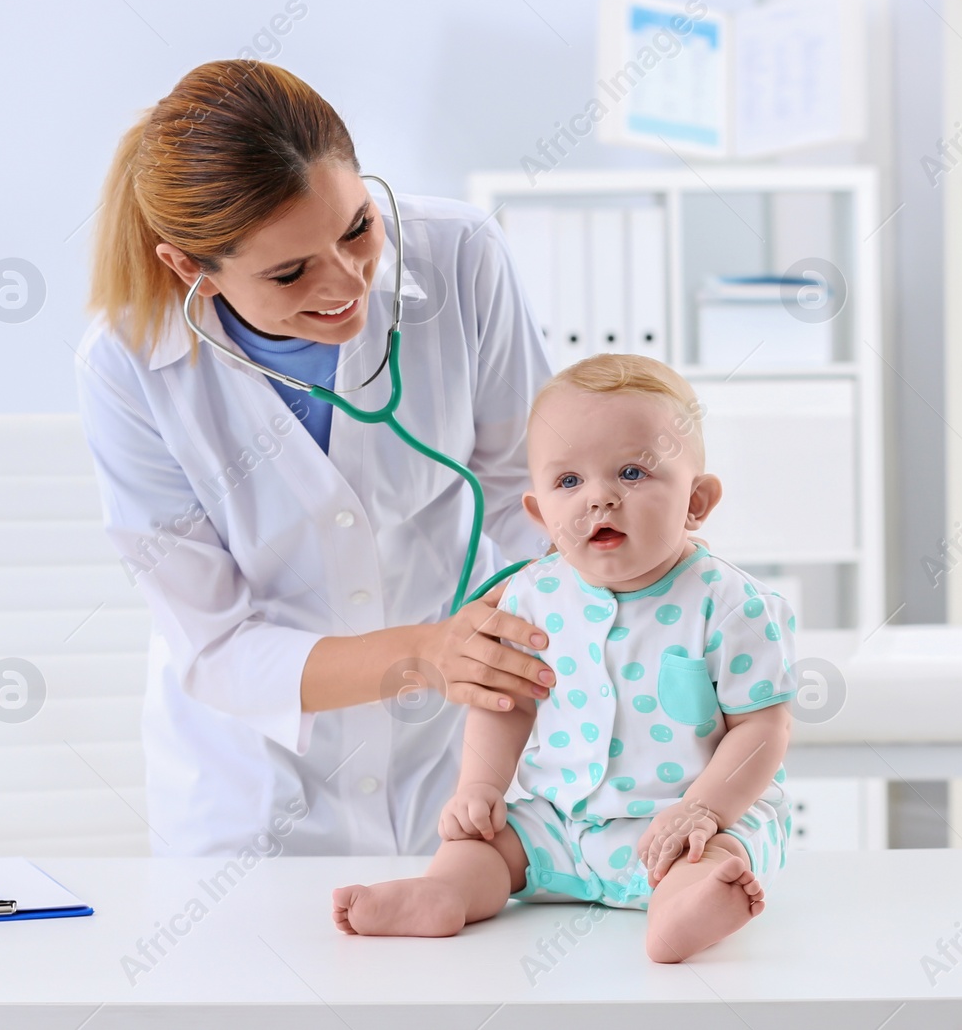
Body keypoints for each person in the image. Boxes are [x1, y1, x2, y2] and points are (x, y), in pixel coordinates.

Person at [75, 59, 559, 856]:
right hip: (255, 798)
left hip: (455, 768)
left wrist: (615, 592)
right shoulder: (127, 364)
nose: (346, 283)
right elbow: (218, 643)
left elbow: (530, 496)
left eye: (358, 226)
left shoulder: (464, 256)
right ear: (189, 267)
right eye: (290, 271)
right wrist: (424, 653)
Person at [330, 354, 796, 962]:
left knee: (719, 854)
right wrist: (480, 785)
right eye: (569, 482)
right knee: (486, 841)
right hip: (555, 824)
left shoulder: (730, 603)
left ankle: (684, 908)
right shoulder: (530, 594)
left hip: (681, 822)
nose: (599, 498)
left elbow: (762, 728)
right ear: (540, 514)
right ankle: (444, 893)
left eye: (632, 472)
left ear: (697, 500)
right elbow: (505, 701)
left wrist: (703, 809)